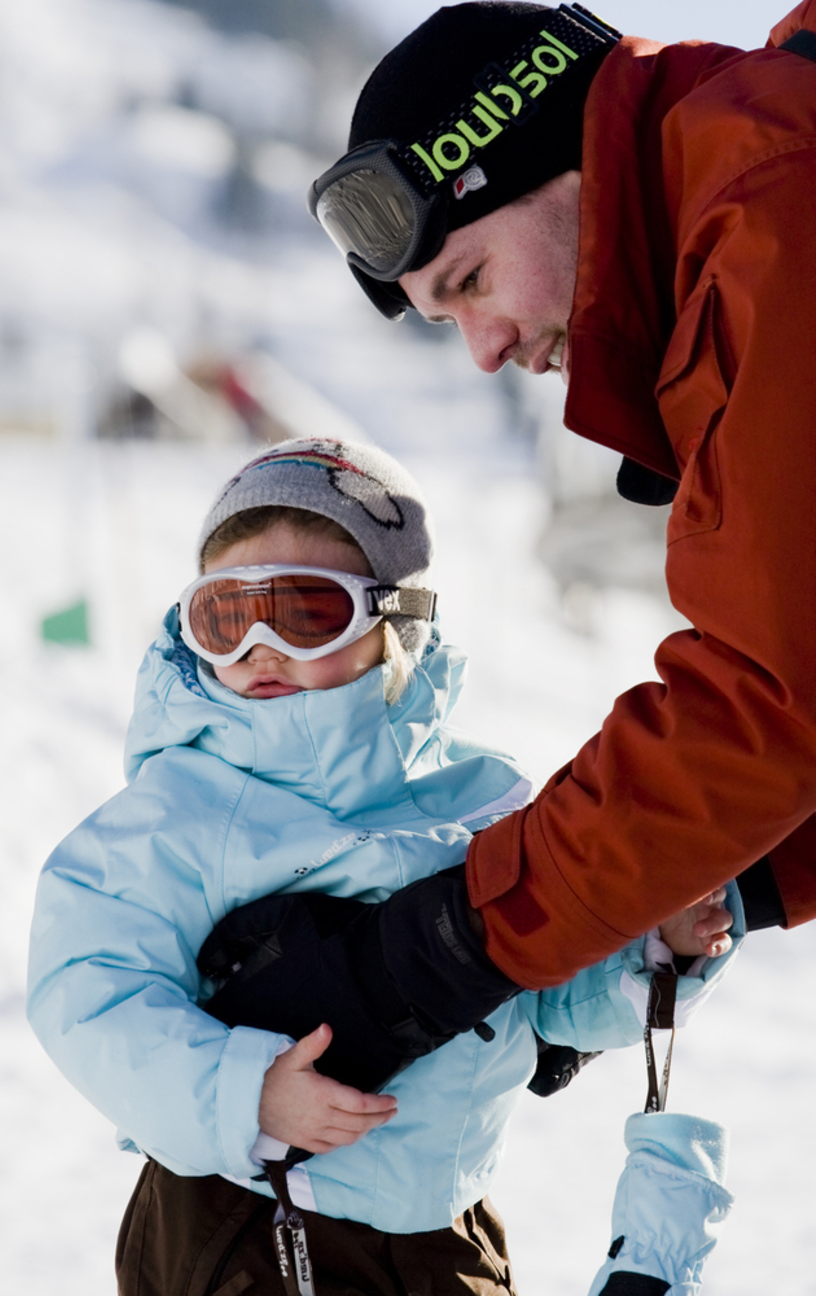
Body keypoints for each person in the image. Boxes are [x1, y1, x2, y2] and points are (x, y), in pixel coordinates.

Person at [27, 436, 738, 1296]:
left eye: (303, 612)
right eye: (223, 617)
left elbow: (539, 1001)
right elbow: (89, 990)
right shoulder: (176, 812)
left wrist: (648, 954)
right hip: (249, 1207)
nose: (259, 646)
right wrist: (243, 1095)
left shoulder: (481, 799)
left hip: (443, 1225)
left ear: (393, 620)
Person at [302, 0, 816, 999]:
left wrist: (442, 951)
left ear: (564, 157)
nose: (485, 348)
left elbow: (766, 698)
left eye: (471, 280)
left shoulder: (771, 199)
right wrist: (729, 877)